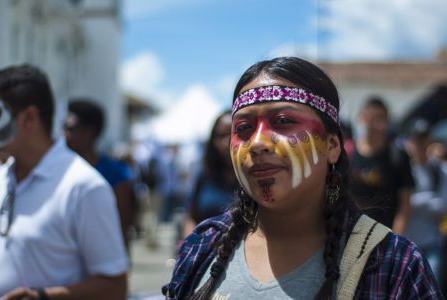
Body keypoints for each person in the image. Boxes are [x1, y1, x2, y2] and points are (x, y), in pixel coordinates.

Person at [163, 57, 442, 299]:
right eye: (244, 128)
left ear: (332, 145)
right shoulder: (202, 246)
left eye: (283, 121)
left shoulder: (392, 264)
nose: (258, 143)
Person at [0, 65, 128, 299]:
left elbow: (115, 287)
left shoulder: (84, 187)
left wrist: (43, 296)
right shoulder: (1, 175)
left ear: (29, 117)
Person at [64, 99, 136, 249]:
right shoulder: (58, 170)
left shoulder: (116, 173)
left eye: (69, 128)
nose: (64, 135)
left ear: (89, 132)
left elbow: (122, 228)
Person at [349, 97, 414, 234]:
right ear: (361, 118)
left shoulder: (397, 156)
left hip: (384, 235)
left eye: (381, 119)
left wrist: (396, 237)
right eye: (371, 118)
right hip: (350, 233)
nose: (375, 125)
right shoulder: (347, 152)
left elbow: (405, 203)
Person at [403, 118, 447, 281]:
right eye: (416, 139)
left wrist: (412, 202)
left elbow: (442, 206)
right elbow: (400, 204)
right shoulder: (402, 168)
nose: (420, 144)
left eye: (424, 139)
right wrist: (428, 199)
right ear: (408, 141)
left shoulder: (439, 170)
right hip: (405, 244)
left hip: (432, 244)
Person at [181, 110, 237, 238]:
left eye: (232, 134)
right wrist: (191, 244)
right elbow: (190, 216)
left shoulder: (253, 178)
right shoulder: (205, 175)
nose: (225, 142)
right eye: (220, 136)